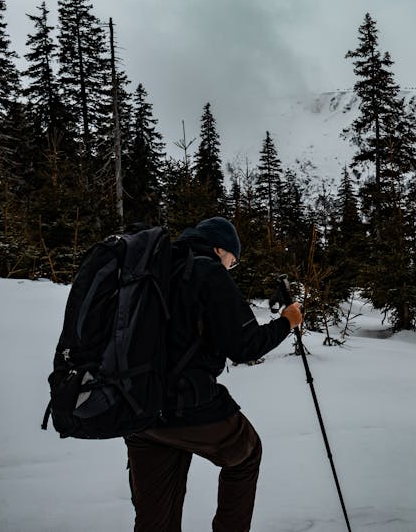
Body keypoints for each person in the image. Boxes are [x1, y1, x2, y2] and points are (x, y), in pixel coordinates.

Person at [125, 216, 303, 532]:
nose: (230, 267)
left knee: (156, 520)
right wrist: (287, 321)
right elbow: (245, 345)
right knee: (246, 453)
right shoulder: (207, 271)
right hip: (188, 405)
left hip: (136, 407)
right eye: (232, 260)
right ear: (219, 248)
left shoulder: (153, 267)